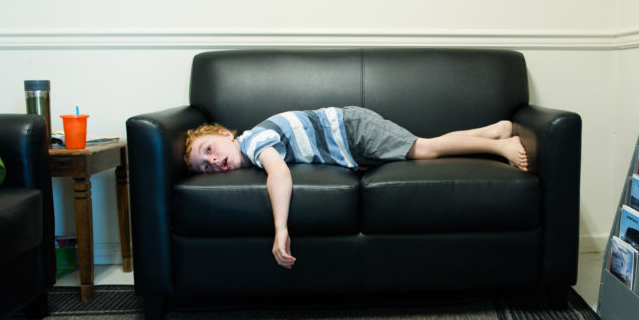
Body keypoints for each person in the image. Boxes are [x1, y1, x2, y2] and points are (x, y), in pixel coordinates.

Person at [184, 106, 528, 270]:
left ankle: (500, 146)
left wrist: (280, 229)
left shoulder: (255, 141)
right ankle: (492, 131)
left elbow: (280, 175)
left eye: (209, 149)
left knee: (425, 149)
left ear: (227, 135)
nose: (212, 162)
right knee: (425, 147)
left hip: (353, 128)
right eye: (204, 166)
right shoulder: (252, 145)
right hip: (349, 141)